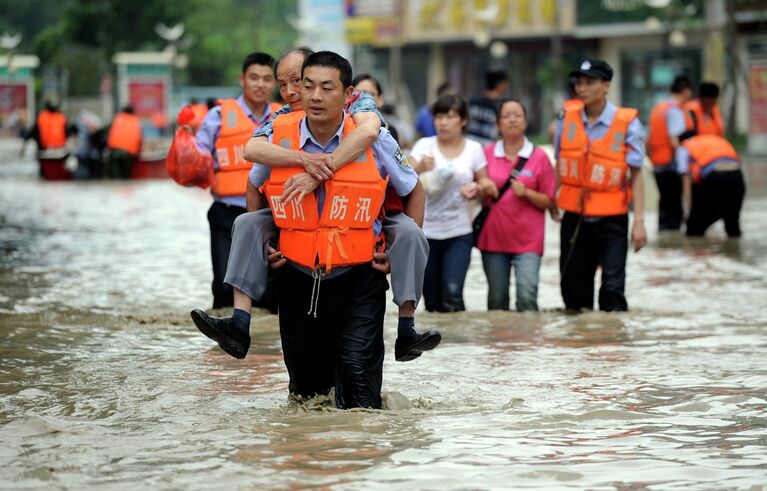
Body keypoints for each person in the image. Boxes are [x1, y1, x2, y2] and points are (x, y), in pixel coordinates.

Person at [191, 48, 439, 363]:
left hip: (366, 222)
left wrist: (321, 171)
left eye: (300, 82)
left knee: (411, 234)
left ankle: (407, 328)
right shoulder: (280, 122)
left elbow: (375, 137)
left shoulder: (360, 108)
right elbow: (252, 158)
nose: (294, 92)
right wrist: (303, 162)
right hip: (300, 237)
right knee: (247, 224)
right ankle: (239, 324)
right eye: (286, 85)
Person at [265, 51, 422, 408]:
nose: (316, 96)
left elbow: (414, 190)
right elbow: (255, 189)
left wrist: (398, 251)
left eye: (326, 88)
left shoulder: (375, 138)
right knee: (307, 395)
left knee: (359, 389)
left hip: (360, 277)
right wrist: (268, 244)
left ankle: (359, 456)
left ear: (348, 94)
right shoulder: (278, 138)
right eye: (308, 87)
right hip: (297, 275)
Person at [554, 59, 647, 312]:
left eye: (589, 82)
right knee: (574, 293)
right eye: (579, 83)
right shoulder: (566, 119)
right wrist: (553, 199)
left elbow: (637, 175)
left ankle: (612, 345)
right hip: (575, 216)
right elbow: (560, 163)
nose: (582, 88)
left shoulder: (628, 123)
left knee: (612, 290)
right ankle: (581, 346)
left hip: (613, 219)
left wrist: (639, 222)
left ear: (606, 86)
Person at [190, 52, 278, 309]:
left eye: (266, 79)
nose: (260, 84)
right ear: (242, 79)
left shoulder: (282, 117)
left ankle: (266, 346)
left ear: (274, 83)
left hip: (271, 214)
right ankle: (222, 341)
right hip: (227, 213)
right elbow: (197, 155)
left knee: (272, 291)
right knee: (224, 286)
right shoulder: (218, 115)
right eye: (254, 77)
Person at [411, 94, 495, 312]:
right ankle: (439, 346)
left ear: (463, 120)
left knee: (452, 292)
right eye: (438, 116)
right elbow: (404, 173)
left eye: (449, 116)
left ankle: (460, 342)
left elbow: (485, 181)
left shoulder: (474, 149)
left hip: (459, 232)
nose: (443, 122)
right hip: (426, 232)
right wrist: (420, 166)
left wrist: (477, 188)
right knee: (431, 298)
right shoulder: (424, 146)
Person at [477, 99, 556, 312]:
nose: (512, 120)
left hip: (528, 241)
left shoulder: (539, 157)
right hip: (493, 239)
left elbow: (551, 200)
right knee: (497, 300)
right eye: (506, 116)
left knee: (527, 296)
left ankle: (527, 344)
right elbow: (474, 189)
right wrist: (482, 188)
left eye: (517, 115)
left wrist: (527, 193)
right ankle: (500, 344)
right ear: (497, 124)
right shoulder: (486, 154)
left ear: (526, 121)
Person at [647, 74, 694, 231]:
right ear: (685, 91)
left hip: (657, 164)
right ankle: (673, 248)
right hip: (670, 166)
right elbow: (675, 142)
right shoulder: (675, 111)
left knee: (664, 206)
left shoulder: (659, 108)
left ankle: (664, 246)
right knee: (674, 210)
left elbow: (648, 140)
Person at [676, 134, 745, 237]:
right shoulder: (716, 139)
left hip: (715, 177)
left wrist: (688, 212)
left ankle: (695, 251)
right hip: (737, 177)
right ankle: (734, 251)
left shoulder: (683, 148)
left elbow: (686, 182)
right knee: (732, 226)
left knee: (694, 230)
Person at [466, 70, 508, 147]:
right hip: (489, 149)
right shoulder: (500, 106)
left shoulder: (473, 102)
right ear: (500, 84)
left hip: (469, 146)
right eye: (505, 83)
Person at [352, 74, 399, 143]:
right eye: (356, 94)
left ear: (380, 99)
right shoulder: (342, 127)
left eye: (367, 94)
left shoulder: (390, 132)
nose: (362, 98)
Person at [105, 105, 142, 179]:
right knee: (126, 178)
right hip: (128, 154)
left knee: (115, 178)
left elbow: (108, 134)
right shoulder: (135, 121)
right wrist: (138, 154)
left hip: (114, 152)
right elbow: (139, 139)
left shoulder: (117, 119)